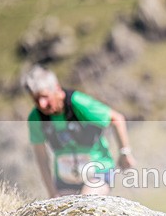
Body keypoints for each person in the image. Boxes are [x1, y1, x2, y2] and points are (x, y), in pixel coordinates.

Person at [22, 65, 136, 197]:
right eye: (36, 99)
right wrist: (52, 193)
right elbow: (42, 158)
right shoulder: (36, 118)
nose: (42, 104)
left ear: (57, 89)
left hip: (98, 172)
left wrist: (124, 152)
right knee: (61, 214)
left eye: (45, 96)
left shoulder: (78, 103)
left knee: (86, 203)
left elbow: (117, 119)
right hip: (65, 179)